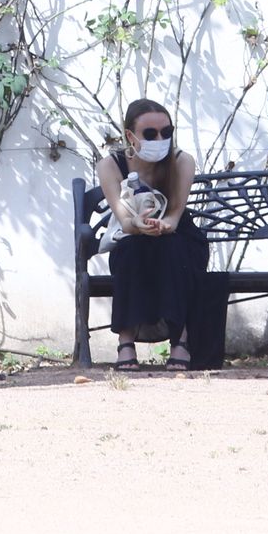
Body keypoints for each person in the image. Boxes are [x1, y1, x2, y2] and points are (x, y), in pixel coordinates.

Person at [98, 97, 209, 370]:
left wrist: (164, 226)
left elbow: (175, 214)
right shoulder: (110, 166)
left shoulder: (182, 161)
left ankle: (180, 339)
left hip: (179, 236)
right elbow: (123, 221)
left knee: (171, 249)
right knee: (129, 251)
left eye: (166, 132)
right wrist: (138, 224)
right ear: (130, 136)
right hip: (134, 234)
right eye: (150, 134)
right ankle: (125, 342)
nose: (160, 138)